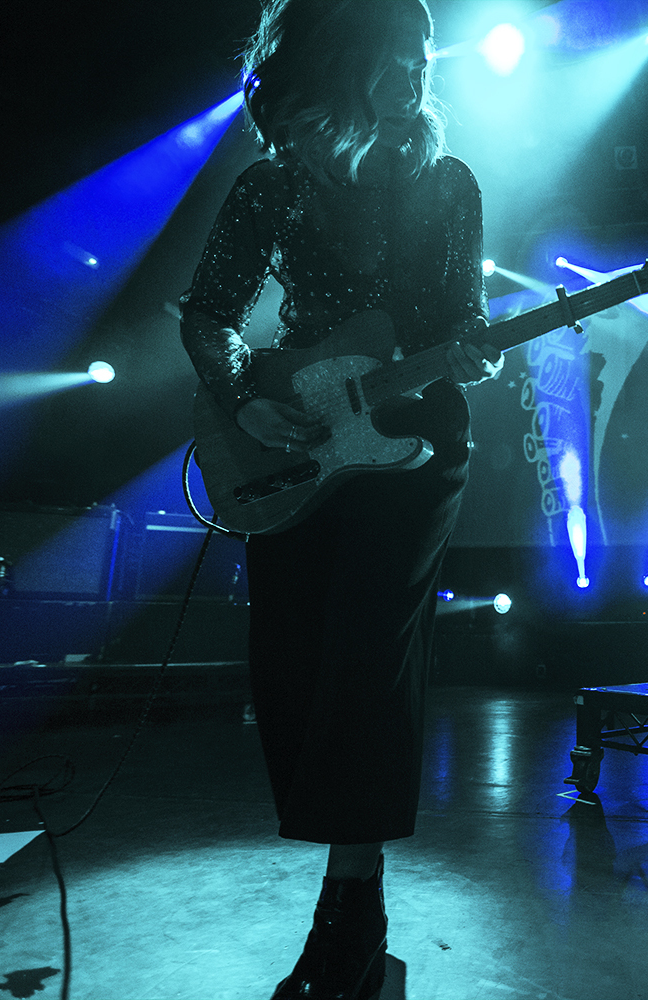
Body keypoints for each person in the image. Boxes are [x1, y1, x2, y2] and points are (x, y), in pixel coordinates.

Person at [178, 2, 501, 997]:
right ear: (339, 62)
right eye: (393, 53)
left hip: (413, 445)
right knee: (289, 664)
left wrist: (477, 348)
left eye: (423, 53)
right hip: (306, 435)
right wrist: (243, 396)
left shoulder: (449, 185)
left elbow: (464, 320)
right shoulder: (273, 185)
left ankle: (350, 911)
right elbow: (210, 317)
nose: (414, 69)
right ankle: (349, 901)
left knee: (368, 651)